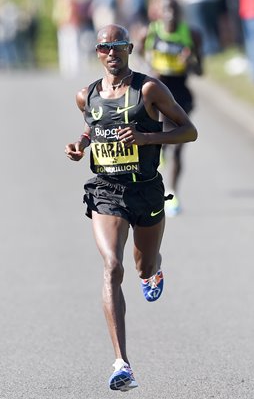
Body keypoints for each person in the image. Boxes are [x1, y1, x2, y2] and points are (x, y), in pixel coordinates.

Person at [65, 23, 197, 391]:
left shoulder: (149, 89)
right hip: (106, 190)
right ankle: (122, 363)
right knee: (111, 266)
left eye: (118, 46)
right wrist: (80, 143)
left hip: (146, 191)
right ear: (98, 52)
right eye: (105, 47)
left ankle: (153, 271)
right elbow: (95, 126)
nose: (112, 53)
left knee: (143, 264)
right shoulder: (85, 95)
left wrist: (146, 137)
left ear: (129, 49)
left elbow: (188, 130)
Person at [142, 0, 203, 216]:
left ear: (180, 13)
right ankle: (154, 185)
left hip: (180, 95)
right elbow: (142, 57)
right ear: (160, 12)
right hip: (157, 94)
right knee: (162, 146)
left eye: (174, 10)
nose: (170, 15)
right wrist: (152, 70)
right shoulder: (150, 32)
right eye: (167, 10)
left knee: (178, 146)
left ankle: (173, 194)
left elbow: (200, 70)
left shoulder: (192, 34)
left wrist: (189, 62)